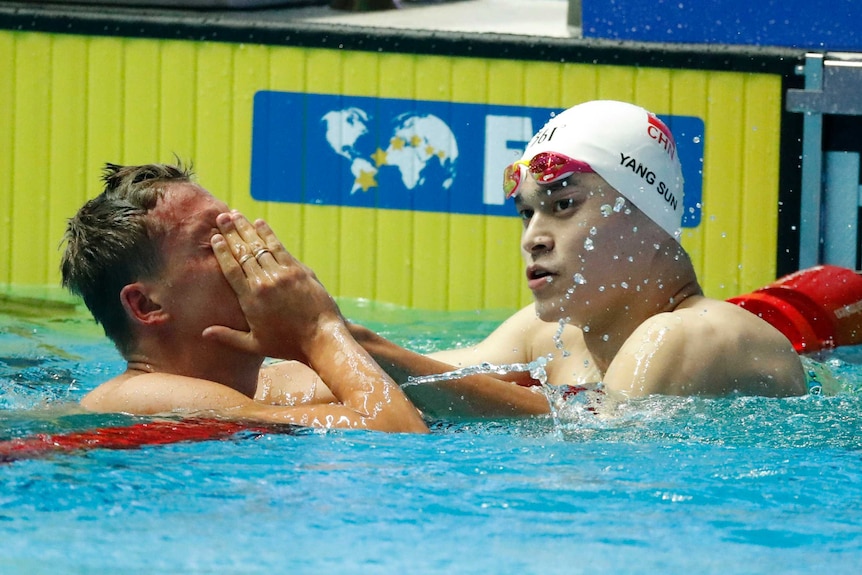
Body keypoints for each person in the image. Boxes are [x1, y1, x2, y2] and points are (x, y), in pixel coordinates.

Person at [349, 100, 807, 418]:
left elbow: (600, 442)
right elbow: (425, 373)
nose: (533, 238)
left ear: (646, 213)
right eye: (526, 213)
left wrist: (365, 346)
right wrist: (308, 340)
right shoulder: (551, 336)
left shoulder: (689, 334)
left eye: (563, 205)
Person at [60, 162, 428, 434]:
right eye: (217, 244)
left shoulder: (269, 386)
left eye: (242, 234)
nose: (253, 254)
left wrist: (349, 337)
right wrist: (319, 331)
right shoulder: (141, 397)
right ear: (147, 305)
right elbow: (396, 435)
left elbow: (475, 396)